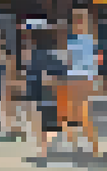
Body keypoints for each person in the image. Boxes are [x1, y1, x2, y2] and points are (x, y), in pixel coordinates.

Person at [59, 9, 102, 156]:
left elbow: (94, 64)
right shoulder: (71, 41)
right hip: (72, 79)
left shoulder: (90, 42)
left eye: (80, 20)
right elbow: (67, 63)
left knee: (84, 115)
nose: (77, 23)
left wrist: (93, 81)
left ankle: (94, 146)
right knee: (71, 114)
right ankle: (74, 145)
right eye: (76, 20)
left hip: (83, 80)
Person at [25, 28, 65, 159]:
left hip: (41, 94)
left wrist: (31, 95)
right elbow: (63, 74)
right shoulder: (56, 57)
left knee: (44, 123)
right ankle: (49, 148)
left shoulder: (35, 57)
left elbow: (32, 76)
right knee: (52, 122)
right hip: (55, 94)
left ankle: (44, 150)